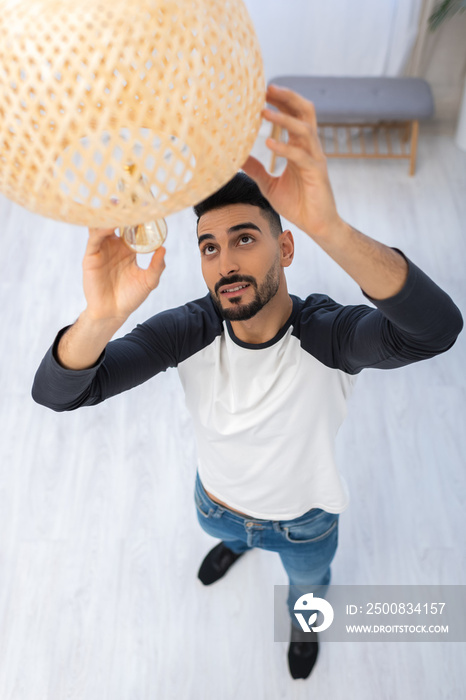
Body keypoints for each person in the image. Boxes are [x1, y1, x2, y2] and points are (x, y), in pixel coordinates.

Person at [32, 84, 463, 681]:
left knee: (307, 589)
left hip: (305, 523)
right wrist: (102, 316)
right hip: (217, 506)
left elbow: (436, 330)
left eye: (244, 239)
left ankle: (303, 627)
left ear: (285, 247)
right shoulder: (189, 328)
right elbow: (59, 392)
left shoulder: (328, 335)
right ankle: (235, 546)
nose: (225, 261)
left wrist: (331, 228)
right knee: (228, 532)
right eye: (209, 246)